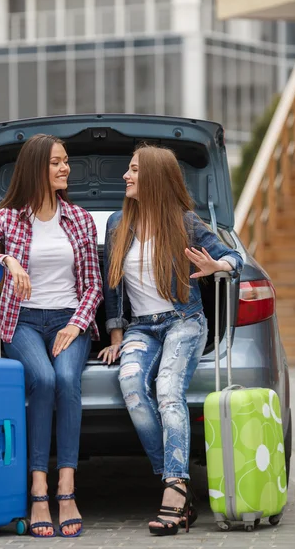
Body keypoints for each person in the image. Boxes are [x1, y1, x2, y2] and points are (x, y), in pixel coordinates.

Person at [0, 133, 103, 539]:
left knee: (66, 380)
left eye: (66, 161)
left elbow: (92, 285)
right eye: (56, 162)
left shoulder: (79, 219)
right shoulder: (9, 219)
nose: (65, 168)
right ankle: (37, 486)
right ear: (36, 167)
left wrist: (77, 323)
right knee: (41, 378)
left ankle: (66, 487)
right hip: (21, 320)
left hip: (67, 319)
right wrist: (5, 259)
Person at [98, 144, 243, 536]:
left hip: (184, 321)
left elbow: (235, 258)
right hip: (142, 327)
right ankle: (175, 481)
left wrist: (217, 266)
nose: (126, 176)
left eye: (133, 170)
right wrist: (116, 334)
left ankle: (174, 494)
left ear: (156, 178)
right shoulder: (117, 223)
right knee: (129, 382)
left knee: (167, 389)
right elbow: (112, 287)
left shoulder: (186, 222)